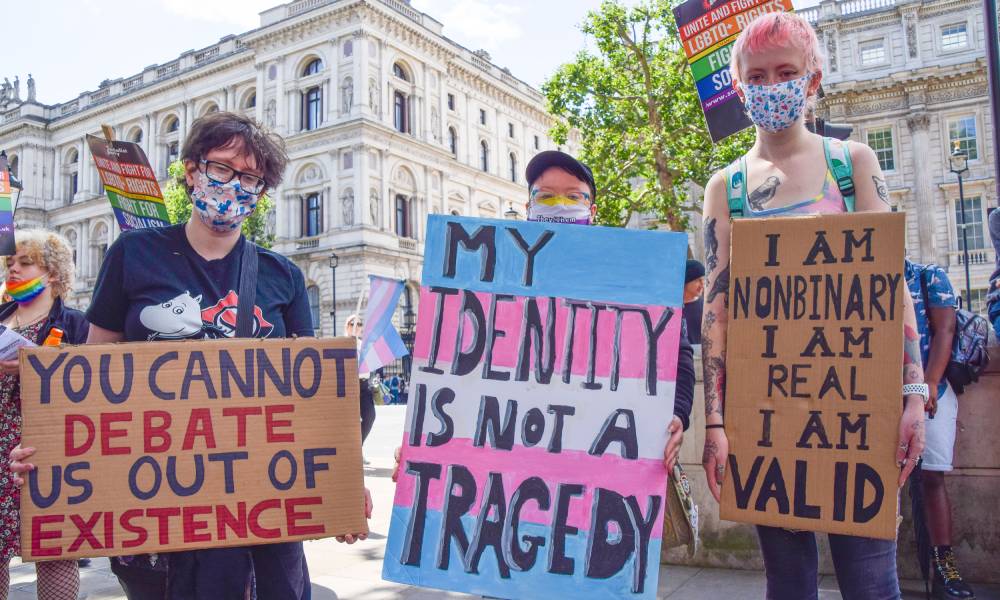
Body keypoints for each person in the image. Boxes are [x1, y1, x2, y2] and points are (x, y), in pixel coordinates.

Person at [10, 112, 370, 599]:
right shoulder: (133, 255)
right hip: (159, 518)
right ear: (191, 171)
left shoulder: (281, 277)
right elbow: (90, 377)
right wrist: (52, 454)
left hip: (264, 520)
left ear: (262, 192)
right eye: (221, 169)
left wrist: (343, 480)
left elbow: (311, 399)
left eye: (250, 178)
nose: (234, 186)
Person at [699, 13, 926, 599]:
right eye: (758, 75)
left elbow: (890, 283)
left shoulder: (852, 164)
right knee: (789, 585)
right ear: (741, 88)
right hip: (766, 414)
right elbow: (716, 314)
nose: (772, 85)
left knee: (872, 581)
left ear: (812, 79)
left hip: (860, 408)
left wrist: (913, 395)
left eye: (786, 72)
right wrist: (717, 423)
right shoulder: (727, 188)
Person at [391, 150, 696, 480]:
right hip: (515, 466)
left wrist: (677, 413)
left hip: (601, 466)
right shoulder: (494, 279)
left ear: (591, 210)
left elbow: (675, 353)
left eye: (573, 196)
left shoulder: (631, 278)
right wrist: (425, 444)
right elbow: (455, 370)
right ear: (528, 209)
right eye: (546, 197)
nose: (560, 205)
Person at [0, 229, 88, 600]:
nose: (13, 270)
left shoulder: (76, 324)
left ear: (52, 273)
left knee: (54, 551)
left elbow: (94, 388)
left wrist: (34, 369)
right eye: (10, 263)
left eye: (25, 262)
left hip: (48, 454)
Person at [904, 259, 975, 599]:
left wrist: (929, 383)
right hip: (880, 396)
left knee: (932, 478)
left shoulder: (927, 275)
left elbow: (944, 330)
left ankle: (945, 566)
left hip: (933, 392)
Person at [346, 313, 376, 440]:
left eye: (359, 324)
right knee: (350, 420)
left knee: (370, 416)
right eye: (352, 324)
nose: (356, 327)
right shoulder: (342, 343)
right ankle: (353, 450)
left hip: (363, 385)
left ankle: (358, 446)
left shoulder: (364, 345)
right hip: (348, 385)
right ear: (347, 326)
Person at [683, 259, 705, 345]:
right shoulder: (671, 309)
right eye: (698, 280)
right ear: (686, 282)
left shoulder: (706, 307)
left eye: (703, 280)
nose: (702, 284)